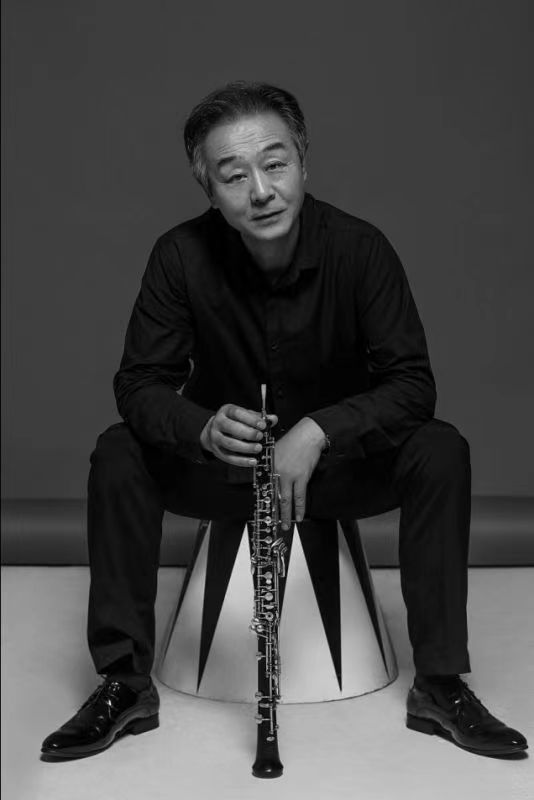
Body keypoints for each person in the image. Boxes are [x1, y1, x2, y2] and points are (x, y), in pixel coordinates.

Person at [41, 80, 527, 761]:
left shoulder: (362, 250)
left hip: (334, 473)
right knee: (119, 451)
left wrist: (321, 431)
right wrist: (201, 428)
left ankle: (441, 684)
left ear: (303, 163)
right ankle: (123, 683)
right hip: (225, 472)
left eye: (275, 164)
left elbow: (413, 386)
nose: (261, 191)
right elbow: (140, 383)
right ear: (210, 190)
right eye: (234, 175)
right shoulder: (179, 256)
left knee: (440, 448)